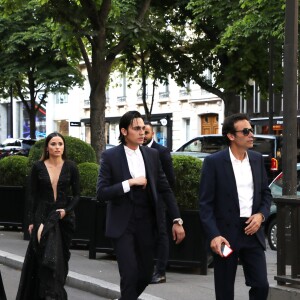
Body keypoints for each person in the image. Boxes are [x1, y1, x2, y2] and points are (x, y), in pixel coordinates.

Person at [97, 110, 185, 300]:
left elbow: (165, 188)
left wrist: (177, 220)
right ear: (124, 131)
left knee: (145, 274)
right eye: (136, 129)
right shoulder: (110, 156)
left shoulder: (152, 155)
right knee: (129, 274)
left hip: (147, 223)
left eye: (143, 129)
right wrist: (130, 183)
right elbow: (102, 193)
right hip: (122, 225)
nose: (142, 133)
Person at [199, 113, 272, 300]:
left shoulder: (256, 159)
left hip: (252, 232)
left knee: (261, 285)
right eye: (246, 131)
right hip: (225, 235)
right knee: (224, 290)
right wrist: (214, 235)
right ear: (231, 136)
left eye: (251, 130)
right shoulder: (214, 162)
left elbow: (266, 194)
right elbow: (205, 204)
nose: (251, 135)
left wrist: (261, 216)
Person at [16, 132, 80, 300]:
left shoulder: (71, 167)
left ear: (64, 147)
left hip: (63, 219)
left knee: (61, 260)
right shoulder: (38, 166)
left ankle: (54, 292)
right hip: (42, 217)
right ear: (47, 147)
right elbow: (32, 196)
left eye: (60, 144)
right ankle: (49, 296)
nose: (57, 147)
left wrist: (66, 211)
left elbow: (78, 195)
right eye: (53, 144)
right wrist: (30, 221)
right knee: (45, 258)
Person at [143, 120, 175, 284]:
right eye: (141, 131)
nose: (143, 135)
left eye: (146, 132)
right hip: (142, 202)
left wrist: (163, 200)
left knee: (162, 234)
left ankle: (160, 271)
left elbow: (170, 180)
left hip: (158, 201)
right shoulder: (136, 151)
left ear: (152, 134)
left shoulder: (161, 151)